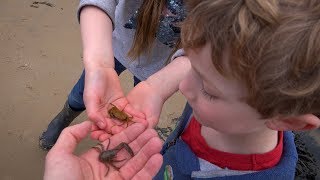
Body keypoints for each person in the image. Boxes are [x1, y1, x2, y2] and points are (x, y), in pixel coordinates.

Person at [94, 0, 320, 179]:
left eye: (209, 90)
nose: (183, 87)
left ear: (287, 120)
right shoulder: (221, 110)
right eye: (192, 66)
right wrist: (157, 88)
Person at [39, 0, 187, 150]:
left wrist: (158, 89)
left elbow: (207, 46)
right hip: (112, 49)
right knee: (83, 92)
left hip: (157, 69)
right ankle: (64, 117)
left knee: (138, 111)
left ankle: (126, 139)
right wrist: (98, 64)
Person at [44, 121, 163, 180]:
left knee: (121, 145)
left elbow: (101, 147)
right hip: (105, 157)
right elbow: (110, 163)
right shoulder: (110, 159)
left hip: (105, 154)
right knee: (118, 158)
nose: (117, 154)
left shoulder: (107, 150)